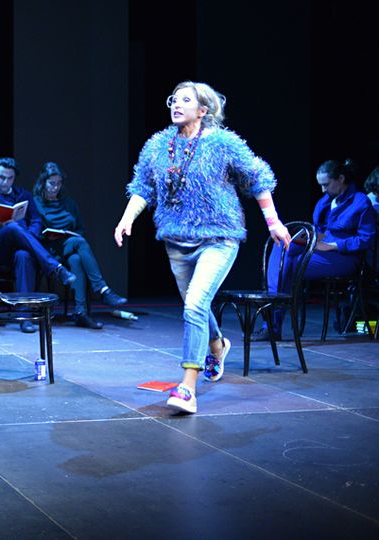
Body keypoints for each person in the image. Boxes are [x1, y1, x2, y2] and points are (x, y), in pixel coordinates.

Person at [114, 81, 291, 415]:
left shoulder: (223, 143)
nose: (176, 105)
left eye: (186, 100)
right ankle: (217, 344)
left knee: (195, 304)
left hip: (218, 238)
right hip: (176, 241)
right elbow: (143, 187)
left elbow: (258, 178)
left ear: (203, 110)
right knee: (195, 305)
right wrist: (127, 218)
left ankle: (187, 387)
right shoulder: (158, 145)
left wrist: (273, 222)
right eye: (174, 99)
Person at [261, 159, 377, 338]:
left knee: (286, 266)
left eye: (326, 184)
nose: (323, 190)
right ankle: (271, 320)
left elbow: (366, 239)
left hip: (343, 256)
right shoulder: (325, 201)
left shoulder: (360, 201)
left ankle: (271, 324)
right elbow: (319, 228)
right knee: (281, 247)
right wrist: (312, 236)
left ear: (341, 179)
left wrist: (332, 245)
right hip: (319, 248)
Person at [0, 157, 86, 330]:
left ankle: (25, 317)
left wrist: (28, 235)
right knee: (12, 227)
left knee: (23, 255)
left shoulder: (22, 195)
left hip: (21, 247)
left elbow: (36, 220)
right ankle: (55, 268)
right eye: (2, 177)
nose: (5, 182)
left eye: (10, 178)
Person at [32, 161, 128, 324]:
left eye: (59, 183)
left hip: (69, 246)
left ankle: (80, 312)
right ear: (43, 183)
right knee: (80, 242)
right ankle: (102, 289)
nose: (55, 187)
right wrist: (48, 235)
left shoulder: (68, 203)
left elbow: (80, 228)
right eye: (52, 183)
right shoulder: (36, 202)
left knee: (76, 258)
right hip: (48, 250)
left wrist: (69, 235)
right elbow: (33, 231)